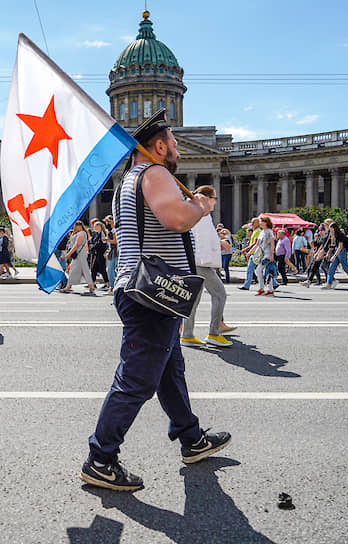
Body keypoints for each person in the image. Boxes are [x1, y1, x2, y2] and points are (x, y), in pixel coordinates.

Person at [82, 109, 230, 492]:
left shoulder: (129, 180)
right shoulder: (155, 173)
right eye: (174, 143)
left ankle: (191, 438)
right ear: (159, 146)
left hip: (147, 290)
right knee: (135, 380)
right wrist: (201, 207)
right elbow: (176, 219)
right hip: (152, 293)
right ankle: (101, 458)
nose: (178, 149)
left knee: (169, 371)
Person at [180, 186, 232, 348]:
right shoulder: (202, 213)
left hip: (196, 261)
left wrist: (219, 242)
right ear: (207, 198)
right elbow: (201, 239)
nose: (215, 202)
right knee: (220, 294)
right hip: (201, 262)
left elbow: (203, 237)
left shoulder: (197, 212)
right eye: (214, 198)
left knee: (193, 299)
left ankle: (187, 335)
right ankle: (214, 334)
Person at [321, 222, 348, 290]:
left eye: (331, 229)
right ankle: (329, 284)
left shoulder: (340, 235)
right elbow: (333, 245)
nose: (330, 231)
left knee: (346, 268)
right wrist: (329, 252)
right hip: (338, 251)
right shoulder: (335, 235)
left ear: (334, 228)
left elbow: (340, 247)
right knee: (331, 268)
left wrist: (334, 256)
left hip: (342, 252)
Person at [59, 221, 95, 294]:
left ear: (80, 226)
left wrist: (68, 255)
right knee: (83, 271)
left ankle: (68, 287)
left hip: (80, 254)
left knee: (79, 270)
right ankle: (91, 287)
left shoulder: (81, 233)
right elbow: (71, 243)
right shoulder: (77, 233)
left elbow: (76, 245)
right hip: (79, 254)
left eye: (75, 226)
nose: (74, 228)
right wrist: (73, 233)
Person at [254, 216, 276, 296]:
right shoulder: (261, 232)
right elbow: (257, 244)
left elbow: (272, 244)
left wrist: (271, 255)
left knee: (258, 270)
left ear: (266, 222)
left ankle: (262, 288)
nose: (260, 223)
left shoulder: (269, 232)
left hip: (267, 254)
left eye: (261, 222)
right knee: (266, 272)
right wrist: (249, 252)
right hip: (261, 254)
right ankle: (269, 289)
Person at [239, 217, 261, 289]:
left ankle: (246, 285)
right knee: (259, 269)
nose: (252, 224)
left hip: (255, 253)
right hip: (254, 253)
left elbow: (255, 243)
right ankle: (274, 283)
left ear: (257, 223)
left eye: (253, 222)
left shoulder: (258, 231)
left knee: (250, 270)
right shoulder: (255, 231)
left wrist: (246, 250)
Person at [88, 220, 110, 289]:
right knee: (94, 268)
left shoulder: (102, 233)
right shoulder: (96, 234)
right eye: (95, 226)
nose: (95, 227)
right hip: (96, 253)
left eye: (96, 226)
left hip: (100, 253)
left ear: (100, 227)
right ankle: (93, 283)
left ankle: (107, 283)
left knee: (102, 268)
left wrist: (93, 247)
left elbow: (100, 243)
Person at [104, 215, 118, 295]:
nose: (107, 223)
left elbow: (115, 241)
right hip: (112, 250)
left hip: (114, 251)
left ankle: (112, 287)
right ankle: (114, 285)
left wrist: (107, 239)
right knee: (112, 269)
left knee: (110, 269)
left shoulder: (114, 230)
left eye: (108, 221)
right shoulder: (112, 229)